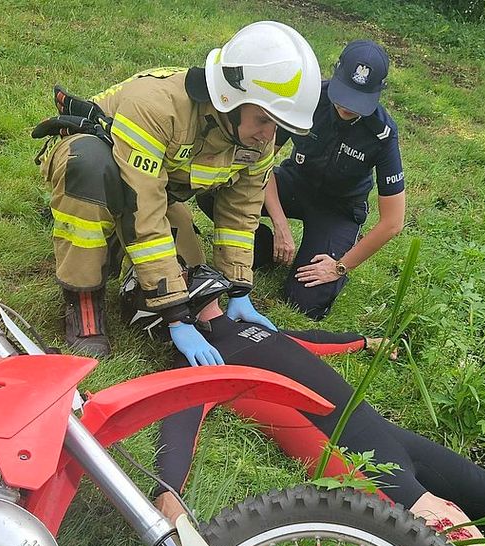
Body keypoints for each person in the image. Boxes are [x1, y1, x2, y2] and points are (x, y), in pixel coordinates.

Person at [122, 265, 485, 543]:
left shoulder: (248, 330)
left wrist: (364, 342)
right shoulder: (202, 361)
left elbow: (308, 343)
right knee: (462, 543)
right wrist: (168, 491)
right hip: (362, 464)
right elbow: (179, 417)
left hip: (386, 436)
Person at [33, 21, 322, 360]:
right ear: (230, 100)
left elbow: (242, 213)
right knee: (90, 167)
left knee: (194, 285)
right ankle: (83, 303)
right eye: (262, 120)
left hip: (157, 188)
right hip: (98, 170)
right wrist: (174, 315)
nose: (267, 134)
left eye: (277, 124)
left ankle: (112, 248)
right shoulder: (158, 107)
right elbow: (142, 206)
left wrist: (238, 289)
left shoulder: (257, 136)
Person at [199, 39, 406, 320]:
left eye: (359, 100)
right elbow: (263, 161)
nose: (347, 106)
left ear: (378, 93)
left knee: (304, 300)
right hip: (293, 184)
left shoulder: (382, 134)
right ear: (336, 72)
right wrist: (281, 225)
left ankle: (324, 256)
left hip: (338, 209)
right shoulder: (307, 99)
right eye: (344, 93)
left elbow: (392, 222)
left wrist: (339, 266)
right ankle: (259, 245)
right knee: (214, 190)